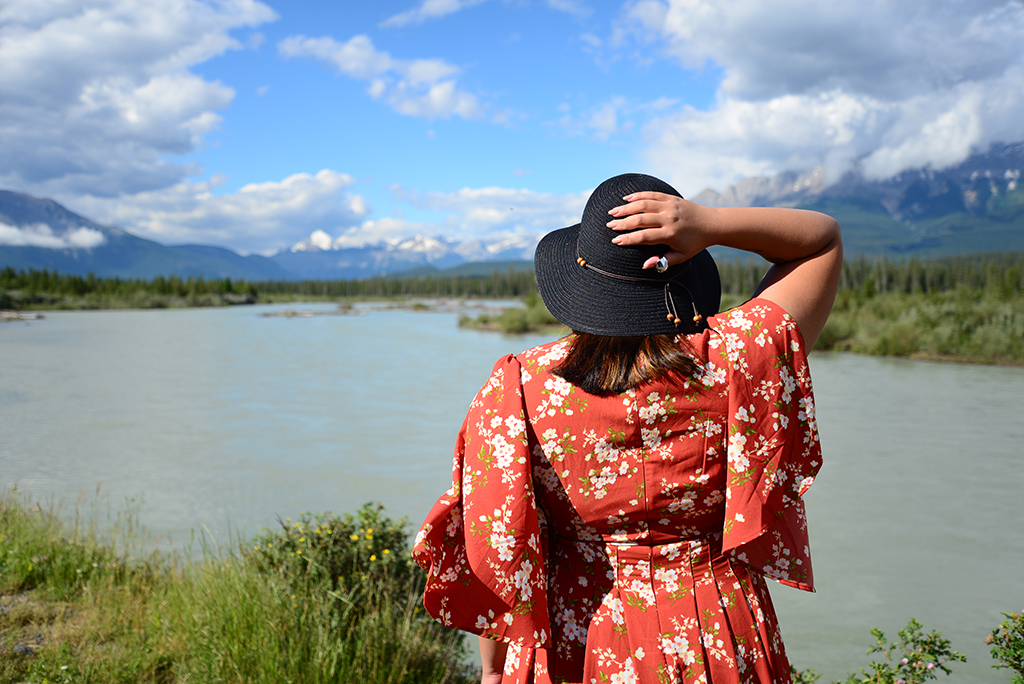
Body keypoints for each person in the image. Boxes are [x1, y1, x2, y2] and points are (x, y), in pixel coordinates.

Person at [413, 173, 842, 684]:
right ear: (684, 270)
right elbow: (821, 241)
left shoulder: (519, 388)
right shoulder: (741, 357)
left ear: (580, 283)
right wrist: (711, 224)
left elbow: (497, 540)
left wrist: (493, 671)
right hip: (717, 626)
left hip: (577, 632)